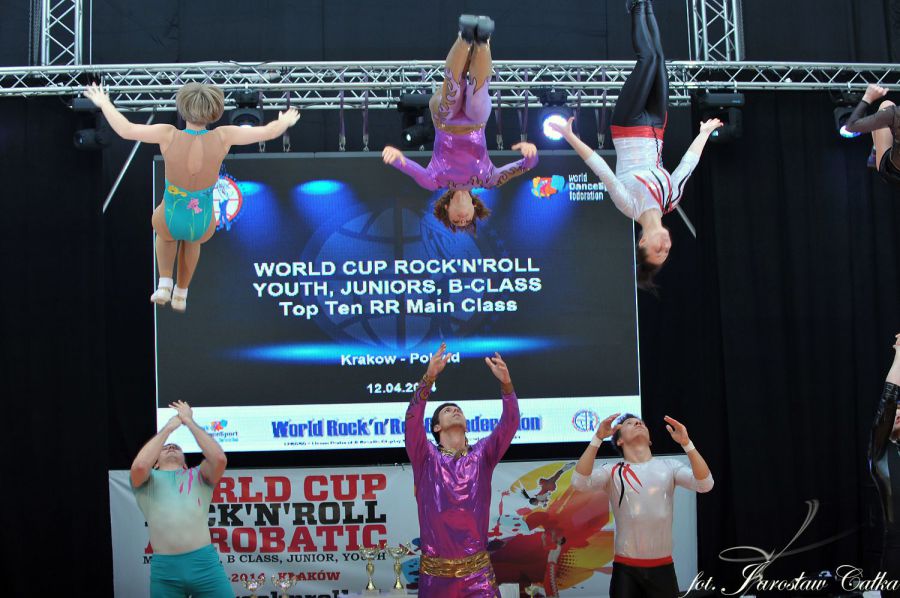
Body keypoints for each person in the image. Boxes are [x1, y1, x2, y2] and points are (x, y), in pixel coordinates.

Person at [548, 0, 721, 291]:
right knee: (660, 59)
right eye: (666, 252)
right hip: (656, 125)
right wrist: (703, 133)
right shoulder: (671, 200)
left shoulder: (629, 205)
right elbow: (688, 165)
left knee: (648, 60)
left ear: (642, 242)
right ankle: (646, 4)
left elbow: (601, 169)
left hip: (628, 125)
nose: (665, 246)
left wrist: (570, 136)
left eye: (656, 251)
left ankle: (636, 5)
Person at [84, 82, 300, 312]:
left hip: (171, 214)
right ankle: (181, 293)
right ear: (215, 111)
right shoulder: (223, 136)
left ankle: (164, 283)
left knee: (166, 234)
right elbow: (268, 132)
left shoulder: (168, 134)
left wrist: (104, 103)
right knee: (192, 240)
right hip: (203, 219)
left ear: (183, 108)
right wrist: (284, 121)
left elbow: (126, 130)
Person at [382, 15, 538, 234]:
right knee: (477, 97)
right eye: (467, 221)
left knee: (453, 93)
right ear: (475, 208)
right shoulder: (488, 179)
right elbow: (526, 166)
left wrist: (395, 156)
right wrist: (530, 153)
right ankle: (482, 39)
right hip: (475, 121)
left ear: (446, 208)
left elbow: (405, 165)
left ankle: (465, 37)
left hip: (445, 120)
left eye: (456, 221)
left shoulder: (433, 181)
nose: (462, 219)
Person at [405, 343, 520, 597]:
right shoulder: (425, 458)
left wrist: (507, 385)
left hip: (478, 578)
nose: (455, 410)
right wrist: (428, 378)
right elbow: (411, 422)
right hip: (436, 579)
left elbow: (510, 423)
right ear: (436, 428)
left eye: (458, 410)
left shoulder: (483, 455)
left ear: (467, 425)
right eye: (447, 410)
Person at [572, 412, 713, 598]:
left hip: (663, 568)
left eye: (641, 423)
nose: (638, 423)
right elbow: (579, 483)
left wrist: (687, 444)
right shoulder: (612, 471)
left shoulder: (669, 467)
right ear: (619, 440)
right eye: (630, 423)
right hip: (626, 570)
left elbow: (705, 484)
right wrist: (597, 438)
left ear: (650, 440)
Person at [130, 400, 231, 597]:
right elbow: (141, 465)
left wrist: (189, 422)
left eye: (176, 446)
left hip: (205, 565)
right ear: (155, 464)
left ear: (185, 464)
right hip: (165, 572)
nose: (171, 447)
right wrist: (168, 428)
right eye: (165, 447)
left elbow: (219, 459)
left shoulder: (198, 475)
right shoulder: (146, 480)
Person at [868, 333, 900, 595]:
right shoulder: (879, 453)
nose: (897, 413)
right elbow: (888, 402)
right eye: (895, 413)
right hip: (896, 555)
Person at [844, 84, 900, 185]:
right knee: (886, 107)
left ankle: (875, 150)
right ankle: (875, 150)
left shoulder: (895, 113)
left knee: (886, 106)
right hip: (893, 171)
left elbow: (851, 126)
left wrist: (868, 98)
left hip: (893, 171)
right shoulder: (895, 114)